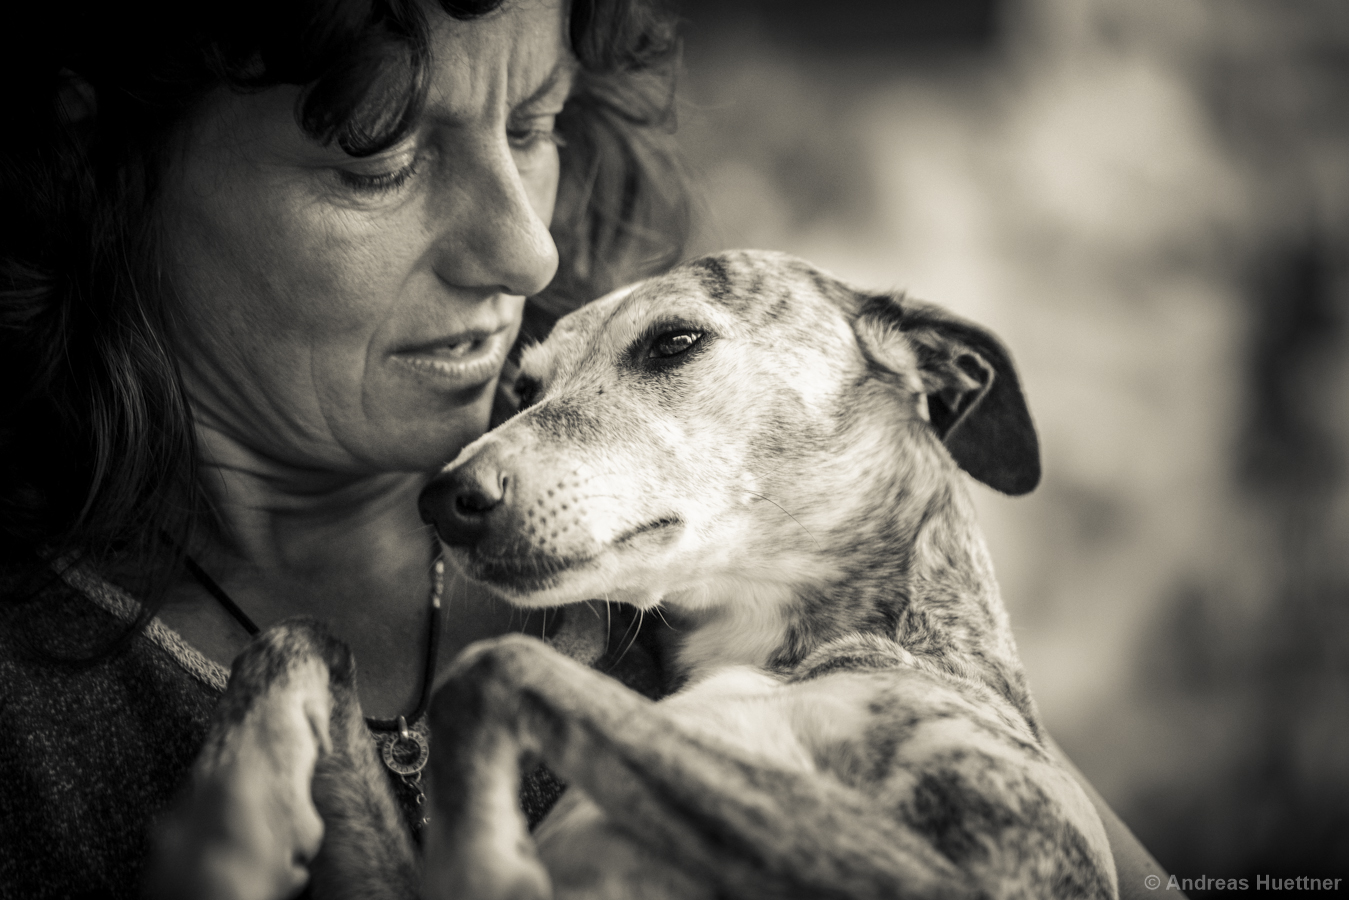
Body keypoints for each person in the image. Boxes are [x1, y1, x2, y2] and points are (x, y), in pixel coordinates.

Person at [0, 0, 1168, 897]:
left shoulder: (714, 547)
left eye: (533, 127)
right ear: (92, 159)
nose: (529, 253)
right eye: (378, 153)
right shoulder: (34, 732)